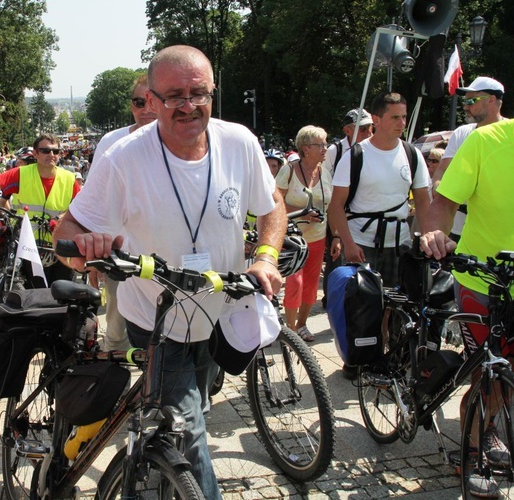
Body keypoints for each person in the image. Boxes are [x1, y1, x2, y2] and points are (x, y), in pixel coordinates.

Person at [53, 45, 286, 499]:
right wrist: (86, 248)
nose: (188, 105)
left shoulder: (239, 142)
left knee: (188, 411)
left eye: (199, 93)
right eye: (174, 95)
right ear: (152, 100)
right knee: (187, 432)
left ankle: (157, 469)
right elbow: (69, 231)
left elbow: (272, 204)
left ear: (213, 93)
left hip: (218, 315)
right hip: (157, 321)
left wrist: (266, 256)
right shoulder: (123, 158)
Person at [420, 114, 514, 498]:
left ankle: (491, 425)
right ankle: (474, 451)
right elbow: (445, 200)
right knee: (488, 373)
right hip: (482, 279)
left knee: (511, 371)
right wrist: (437, 232)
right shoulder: (485, 141)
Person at [327, 91, 431, 287]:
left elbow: (423, 200)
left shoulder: (412, 154)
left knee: (398, 309)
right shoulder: (354, 156)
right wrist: (348, 243)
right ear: (377, 119)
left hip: (400, 244)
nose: (401, 123)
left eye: (403, 117)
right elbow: (336, 206)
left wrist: (426, 236)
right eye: (394, 117)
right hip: (361, 244)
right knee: (361, 309)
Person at [89, 74, 158, 351]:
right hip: (121, 256)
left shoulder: (181, 144)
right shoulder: (111, 142)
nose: (146, 110)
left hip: (167, 258)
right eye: (139, 102)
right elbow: (95, 202)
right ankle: (119, 391)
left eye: (152, 102)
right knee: (117, 334)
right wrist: (94, 258)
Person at [0, 133, 81, 287]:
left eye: (55, 151)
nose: (51, 155)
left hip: (57, 247)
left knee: (61, 295)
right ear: (35, 154)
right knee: (24, 293)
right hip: (25, 245)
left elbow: (81, 207)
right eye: (45, 151)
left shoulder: (69, 178)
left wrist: (61, 219)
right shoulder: (21, 174)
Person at [430, 76, 506, 243]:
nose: (465, 107)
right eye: (464, 102)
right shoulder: (462, 133)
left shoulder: (510, 135)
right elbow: (442, 171)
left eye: (472, 101)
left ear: (492, 100)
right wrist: (437, 185)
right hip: (457, 228)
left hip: (497, 232)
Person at [275, 126, 332, 342]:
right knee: (295, 283)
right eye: (321, 145)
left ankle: (302, 324)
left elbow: (332, 206)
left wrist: (335, 237)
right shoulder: (288, 170)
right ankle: (290, 330)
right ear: (306, 148)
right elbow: (275, 203)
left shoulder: (325, 172)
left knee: (311, 284)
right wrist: (302, 214)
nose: (325, 149)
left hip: (318, 236)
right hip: (292, 237)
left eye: (326, 144)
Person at [320, 108, 374, 307]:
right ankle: (331, 299)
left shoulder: (371, 149)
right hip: (338, 210)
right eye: (363, 129)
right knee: (335, 259)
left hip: (360, 214)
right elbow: (325, 183)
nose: (369, 133)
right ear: (348, 130)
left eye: (371, 128)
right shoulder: (336, 151)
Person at [322, 108, 374, 176]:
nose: (369, 132)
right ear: (347, 131)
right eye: (362, 128)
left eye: (370, 127)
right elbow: (323, 179)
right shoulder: (334, 151)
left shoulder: (375, 149)